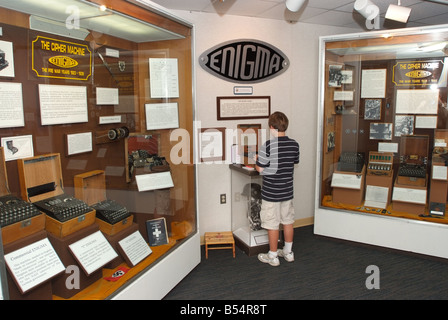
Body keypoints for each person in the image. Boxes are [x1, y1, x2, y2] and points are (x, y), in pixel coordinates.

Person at [255, 111, 300, 266]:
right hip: (287, 191)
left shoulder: (268, 145)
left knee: (272, 224)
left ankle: (272, 256)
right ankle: (288, 252)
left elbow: (259, 169)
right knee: (288, 221)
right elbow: (293, 161)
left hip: (271, 193)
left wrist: (258, 160)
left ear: (272, 127)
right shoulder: (294, 144)